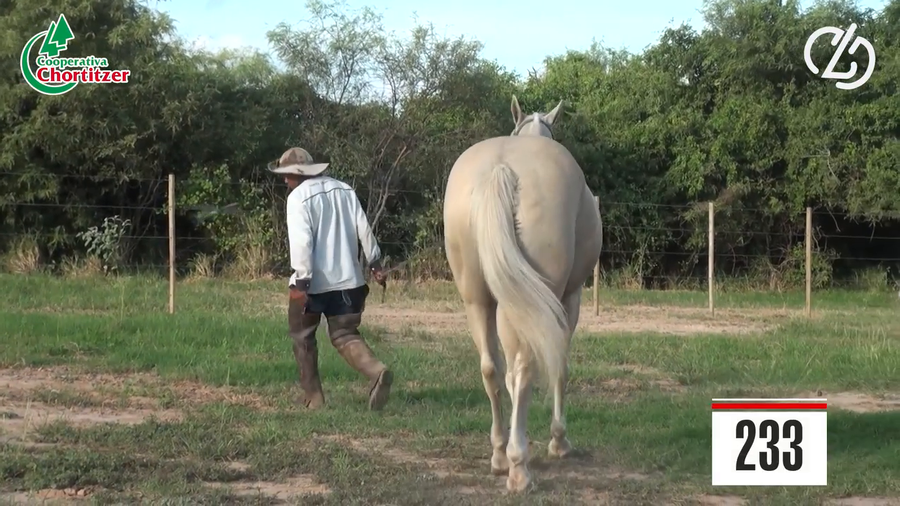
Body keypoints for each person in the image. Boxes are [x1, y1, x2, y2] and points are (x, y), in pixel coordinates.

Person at [268, 147, 392, 411]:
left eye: (286, 175)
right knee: (345, 334)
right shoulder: (345, 190)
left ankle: (314, 399)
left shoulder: (298, 198)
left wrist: (301, 282)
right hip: (350, 283)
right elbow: (364, 230)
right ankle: (377, 371)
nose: (284, 181)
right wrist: (376, 264)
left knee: (303, 336)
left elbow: (302, 242)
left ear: (297, 174)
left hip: (313, 284)